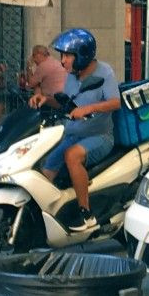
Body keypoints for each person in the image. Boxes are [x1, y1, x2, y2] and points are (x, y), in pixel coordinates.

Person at [29, 28, 120, 231]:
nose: (63, 61)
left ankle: (86, 214)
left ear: (82, 55)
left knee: (72, 156)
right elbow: (68, 105)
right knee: (46, 169)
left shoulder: (104, 72)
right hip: (72, 133)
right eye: (62, 55)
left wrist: (89, 108)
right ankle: (40, 218)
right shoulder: (72, 75)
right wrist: (45, 99)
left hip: (99, 135)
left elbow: (115, 103)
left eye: (68, 56)